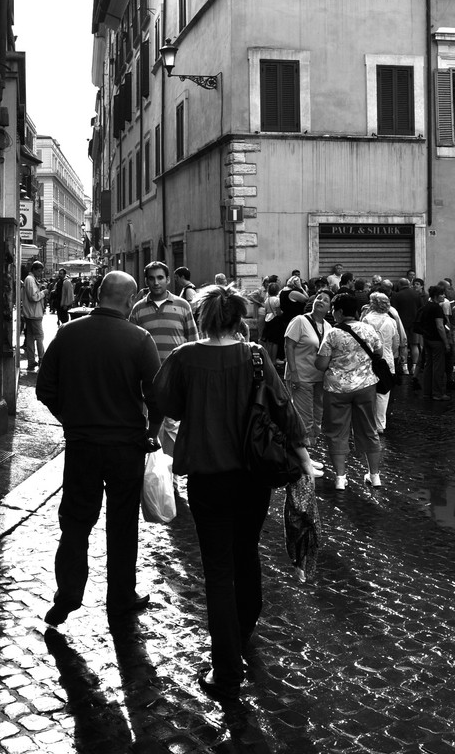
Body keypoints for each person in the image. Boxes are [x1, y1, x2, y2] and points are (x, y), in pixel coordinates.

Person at [153, 285, 312, 701]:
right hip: (253, 476)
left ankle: (225, 668)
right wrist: (305, 462)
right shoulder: (256, 355)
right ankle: (242, 631)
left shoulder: (184, 357)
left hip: (208, 479)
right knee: (246, 553)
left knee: (218, 570)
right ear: (239, 318)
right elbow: (285, 409)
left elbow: (167, 403)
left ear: (203, 318)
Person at [36, 271, 162, 626]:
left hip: (83, 446)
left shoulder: (68, 333)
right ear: (129, 298)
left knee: (75, 523)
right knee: (122, 525)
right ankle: (120, 598)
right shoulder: (140, 339)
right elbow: (157, 397)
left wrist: (70, 419)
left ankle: (67, 598)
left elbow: (45, 388)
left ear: (101, 294)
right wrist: (152, 432)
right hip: (126, 447)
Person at [129, 261, 198, 458]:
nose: (156, 282)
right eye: (151, 278)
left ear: (168, 280)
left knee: (173, 427)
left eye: (160, 278)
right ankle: (152, 478)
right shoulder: (138, 309)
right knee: (150, 426)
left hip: (175, 377)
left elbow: (193, 340)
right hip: (147, 380)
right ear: (146, 281)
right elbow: (132, 346)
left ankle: (171, 479)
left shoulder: (183, 306)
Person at [315, 292, 384, 489]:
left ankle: (340, 479)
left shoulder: (332, 333)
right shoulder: (368, 330)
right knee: (370, 429)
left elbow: (321, 364)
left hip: (337, 389)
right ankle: (375, 475)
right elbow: (378, 352)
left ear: (338, 312)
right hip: (365, 387)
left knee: (336, 432)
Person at [284, 288, 333, 448]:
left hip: (319, 379)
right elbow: (288, 346)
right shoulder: (300, 321)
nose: (321, 301)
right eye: (319, 298)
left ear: (329, 308)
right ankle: (302, 459)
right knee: (304, 419)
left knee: (317, 418)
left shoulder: (328, 327)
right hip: (301, 377)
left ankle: (309, 452)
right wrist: (293, 374)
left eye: (325, 300)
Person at [360, 291, 399, 431]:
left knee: (369, 392)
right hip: (387, 361)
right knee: (383, 393)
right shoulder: (392, 321)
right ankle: (380, 424)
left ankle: (368, 422)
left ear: (373, 304)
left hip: (369, 360)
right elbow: (396, 343)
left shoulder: (366, 320)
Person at [419, 285, 451, 401]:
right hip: (436, 341)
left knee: (429, 366)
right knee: (438, 367)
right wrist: (446, 343)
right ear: (436, 296)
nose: (444, 296)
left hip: (427, 339)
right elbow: (440, 327)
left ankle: (427, 392)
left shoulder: (427, 306)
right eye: (442, 294)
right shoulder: (436, 308)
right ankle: (437, 393)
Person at [21, 261, 47, 371]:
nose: (40, 273)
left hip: (31, 313)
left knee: (31, 338)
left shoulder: (30, 280)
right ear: (35, 270)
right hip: (34, 314)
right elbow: (33, 297)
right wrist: (44, 292)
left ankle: (31, 361)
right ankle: (42, 358)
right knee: (39, 337)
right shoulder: (30, 280)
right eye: (40, 271)